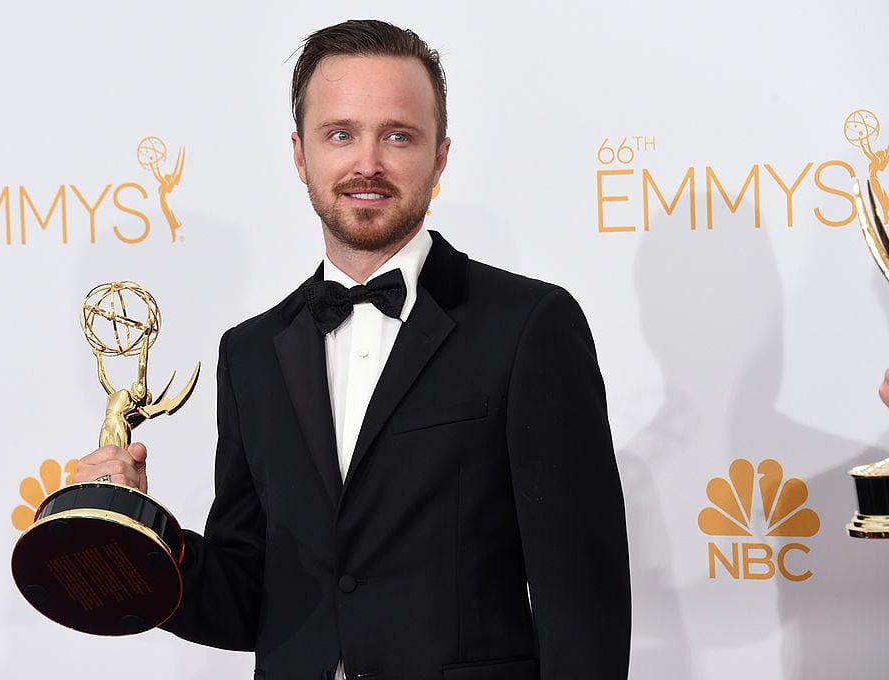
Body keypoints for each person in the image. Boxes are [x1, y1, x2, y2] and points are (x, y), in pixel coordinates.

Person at [74, 19, 631, 680]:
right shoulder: (251, 353)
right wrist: (136, 533)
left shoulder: (529, 326)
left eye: (398, 135)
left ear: (440, 157)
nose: (367, 162)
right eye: (340, 134)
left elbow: (583, 605)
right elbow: (251, 597)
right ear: (300, 154)